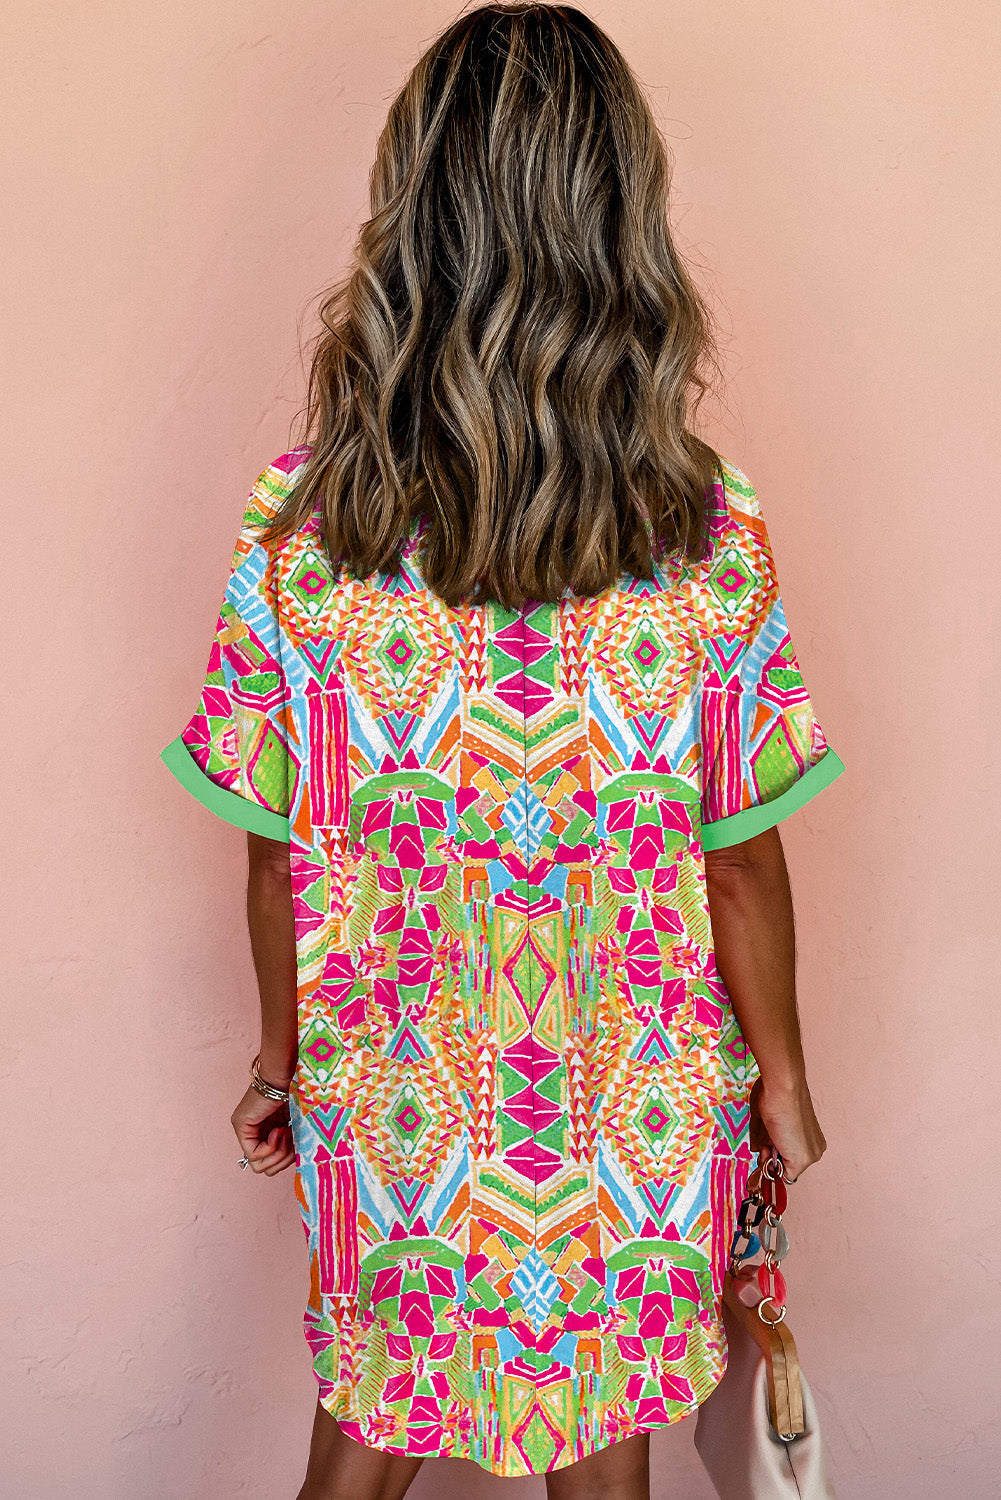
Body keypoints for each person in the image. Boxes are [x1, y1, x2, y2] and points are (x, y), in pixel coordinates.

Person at [160, 4, 843, 1496]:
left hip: (391, 1071)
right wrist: (780, 1076)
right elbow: (739, 859)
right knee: (607, 1452)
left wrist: (283, 1058)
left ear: (412, 217)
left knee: (366, 1421)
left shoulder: (302, 530)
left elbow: (275, 852)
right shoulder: (701, 526)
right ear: (623, 227)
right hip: (636, 1085)